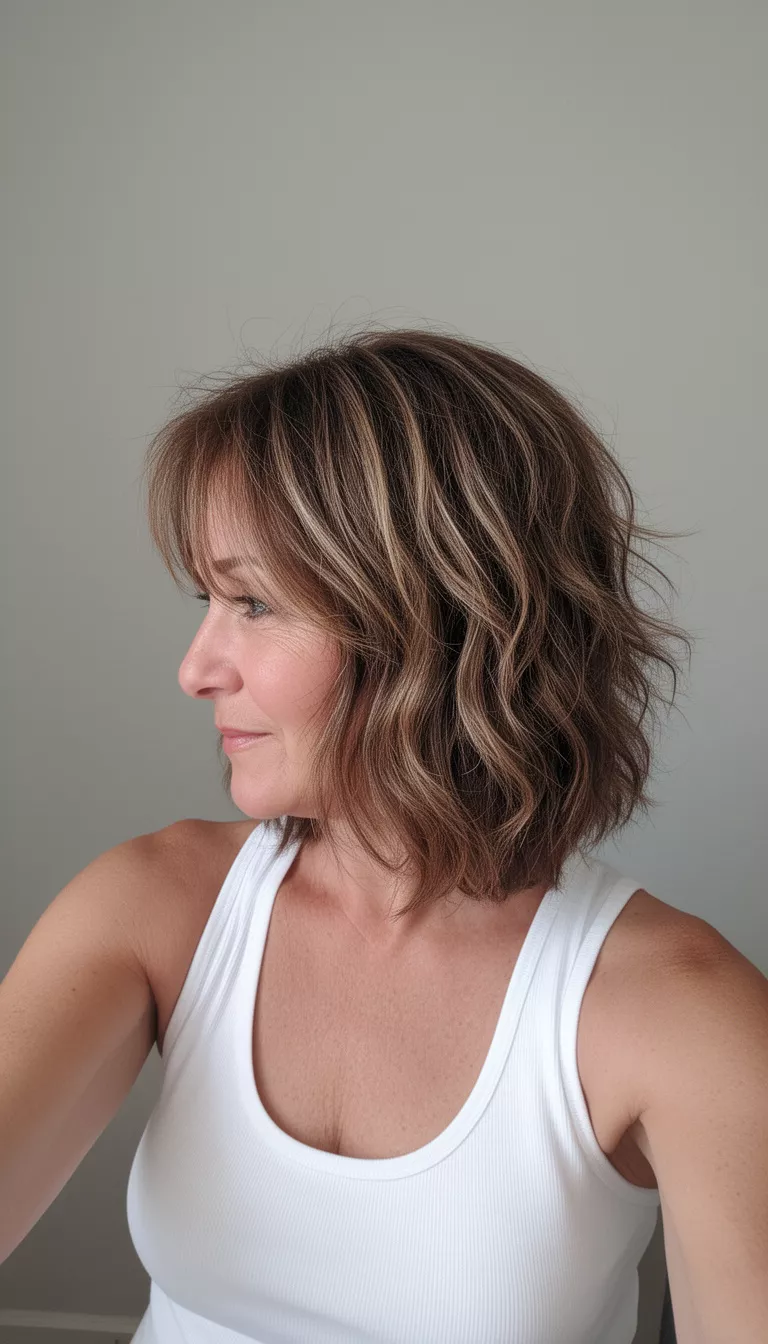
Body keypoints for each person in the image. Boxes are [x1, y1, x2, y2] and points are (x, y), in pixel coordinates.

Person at [4, 327, 766, 1341]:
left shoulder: (680, 1014)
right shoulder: (156, 905)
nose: (197, 669)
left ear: (433, 621)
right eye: (210, 600)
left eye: (255, 602)